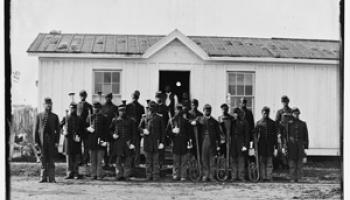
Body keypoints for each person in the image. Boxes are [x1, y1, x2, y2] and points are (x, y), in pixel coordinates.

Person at [192, 104, 222, 182]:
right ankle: (205, 175)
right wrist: (193, 122)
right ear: (203, 110)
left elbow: (218, 134)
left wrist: (218, 144)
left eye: (209, 110)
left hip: (212, 142)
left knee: (212, 160)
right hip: (203, 142)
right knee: (204, 159)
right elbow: (191, 122)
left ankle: (211, 176)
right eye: (206, 110)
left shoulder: (214, 121)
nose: (207, 111)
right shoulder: (199, 119)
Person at [34, 97, 60, 183]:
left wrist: (57, 141)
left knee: (51, 160)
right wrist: (36, 142)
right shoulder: (39, 116)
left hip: (51, 141)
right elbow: (35, 130)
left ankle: (52, 178)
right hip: (42, 142)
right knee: (43, 159)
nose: (48, 105)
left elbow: (58, 130)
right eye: (46, 104)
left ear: (51, 105)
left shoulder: (55, 116)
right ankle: (43, 178)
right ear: (43, 105)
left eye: (50, 104)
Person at [139, 101, 166, 181]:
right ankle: (148, 176)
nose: (152, 109)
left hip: (156, 142)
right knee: (148, 161)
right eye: (151, 107)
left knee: (155, 161)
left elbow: (162, 132)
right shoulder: (144, 117)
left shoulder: (159, 118)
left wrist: (162, 142)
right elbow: (139, 127)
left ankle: (155, 176)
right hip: (147, 142)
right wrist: (143, 130)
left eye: (153, 107)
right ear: (149, 108)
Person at [109, 105, 137, 181]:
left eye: (123, 111)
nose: (122, 112)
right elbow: (110, 130)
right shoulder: (115, 120)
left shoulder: (131, 121)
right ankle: (119, 175)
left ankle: (126, 175)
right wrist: (113, 135)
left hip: (128, 142)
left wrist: (133, 143)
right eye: (120, 111)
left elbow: (134, 133)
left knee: (128, 160)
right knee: (118, 160)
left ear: (125, 111)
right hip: (118, 143)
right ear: (118, 112)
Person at [254, 106, 280, 182]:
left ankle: (269, 176)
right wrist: (254, 146)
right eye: (264, 113)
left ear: (269, 113)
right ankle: (262, 177)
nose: (265, 114)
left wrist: (276, 147)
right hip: (261, 146)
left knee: (269, 162)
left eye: (267, 113)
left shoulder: (272, 123)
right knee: (261, 162)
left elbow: (275, 135)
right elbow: (255, 135)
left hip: (270, 146)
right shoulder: (258, 123)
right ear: (262, 113)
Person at [167, 104, 192, 181]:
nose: (179, 111)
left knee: (184, 161)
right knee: (176, 161)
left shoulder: (186, 121)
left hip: (184, 143)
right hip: (175, 143)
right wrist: (173, 132)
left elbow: (189, 133)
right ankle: (175, 175)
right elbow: (167, 132)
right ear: (175, 110)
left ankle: (183, 175)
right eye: (177, 109)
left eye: (180, 109)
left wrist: (189, 142)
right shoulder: (171, 120)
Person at [60, 103, 83, 179]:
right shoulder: (66, 118)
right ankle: (70, 173)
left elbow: (82, 129)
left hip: (76, 141)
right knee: (69, 158)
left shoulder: (79, 118)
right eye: (71, 108)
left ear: (76, 109)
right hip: (68, 141)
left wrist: (79, 135)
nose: (73, 109)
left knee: (76, 158)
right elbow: (59, 126)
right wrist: (63, 131)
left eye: (74, 108)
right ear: (69, 108)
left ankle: (76, 173)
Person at [86, 102, 108, 180]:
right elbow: (84, 128)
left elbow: (106, 131)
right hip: (92, 141)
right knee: (92, 159)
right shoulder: (90, 117)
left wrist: (105, 142)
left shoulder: (104, 118)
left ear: (100, 109)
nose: (96, 109)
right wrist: (89, 129)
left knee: (99, 159)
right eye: (94, 107)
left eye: (97, 108)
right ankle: (93, 174)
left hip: (101, 140)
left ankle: (99, 174)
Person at [287, 107, 309, 183]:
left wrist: (305, 147)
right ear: (292, 114)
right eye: (294, 114)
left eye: (297, 114)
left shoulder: (303, 124)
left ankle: (299, 178)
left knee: (299, 163)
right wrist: (285, 146)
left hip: (300, 146)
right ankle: (292, 178)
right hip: (291, 146)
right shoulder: (288, 124)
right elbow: (286, 135)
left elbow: (306, 135)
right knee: (292, 163)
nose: (296, 115)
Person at [126, 90, 145, 167]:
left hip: (137, 130)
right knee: (129, 147)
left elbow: (143, 120)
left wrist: (142, 130)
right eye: (134, 96)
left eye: (136, 96)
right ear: (131, 96)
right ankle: (129, 163)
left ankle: (136, 163)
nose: (135, 97)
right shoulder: (128, 106)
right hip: (129, 130)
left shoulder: (141, 107)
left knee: (137, 148)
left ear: (138, 97)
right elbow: (125, 117)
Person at [230, 108, 249, 182]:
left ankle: (241, 176)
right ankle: (234, 176)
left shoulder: (244, 122)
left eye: (237, 113)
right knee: (233, 159)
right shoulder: (231, 122)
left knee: (241, 159)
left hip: (241, 141)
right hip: (233, 142)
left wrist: (245, 145)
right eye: (234, 113)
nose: (236, 115)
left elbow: (247, 135)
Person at [275, 95, 292, 169]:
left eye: (286, 101)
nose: (285, 103)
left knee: (289, 149)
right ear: (282, 102)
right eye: (283, 102)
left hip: (290, 133)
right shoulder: (279, 112)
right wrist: (278, 133)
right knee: (281, 148)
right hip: (282, 133)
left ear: (288, 102)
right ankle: (280, 164)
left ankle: (288, 165)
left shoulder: (291, 111)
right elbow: (276, 123)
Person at [101, 93, 118, 169]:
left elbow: (117, 119)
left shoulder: (114, 107)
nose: (108, 99)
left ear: (111, 98)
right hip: (103, 130)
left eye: (109, 97)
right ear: (105, 98)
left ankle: (111, 162)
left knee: (112, 147)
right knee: (103, 146)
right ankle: (105, 162)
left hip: (111, 130)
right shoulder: (102, 107)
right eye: (107, 97)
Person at [77, 90, 93, 165]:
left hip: (86, 128)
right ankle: (80, 160)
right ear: (79, 96)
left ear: (86, 96)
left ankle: (85, 160)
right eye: (81, 95)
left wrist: (90, 127)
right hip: (79, 128)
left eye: (84, 95)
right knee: (78, 145)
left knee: (86, 145)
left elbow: (91, 117)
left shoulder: (89, 105)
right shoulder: (77, 105)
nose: (82, 97)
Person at [155, 91, 169, 171]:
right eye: (157, 96)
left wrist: (166, 132)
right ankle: (155, 167)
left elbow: (168, 120)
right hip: (155, 132)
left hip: (162, 132)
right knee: (154, 150)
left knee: (162, 150)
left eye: (160, 96)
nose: (158, 98)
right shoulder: (153, 107)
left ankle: (161, 166)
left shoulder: (165, 108)